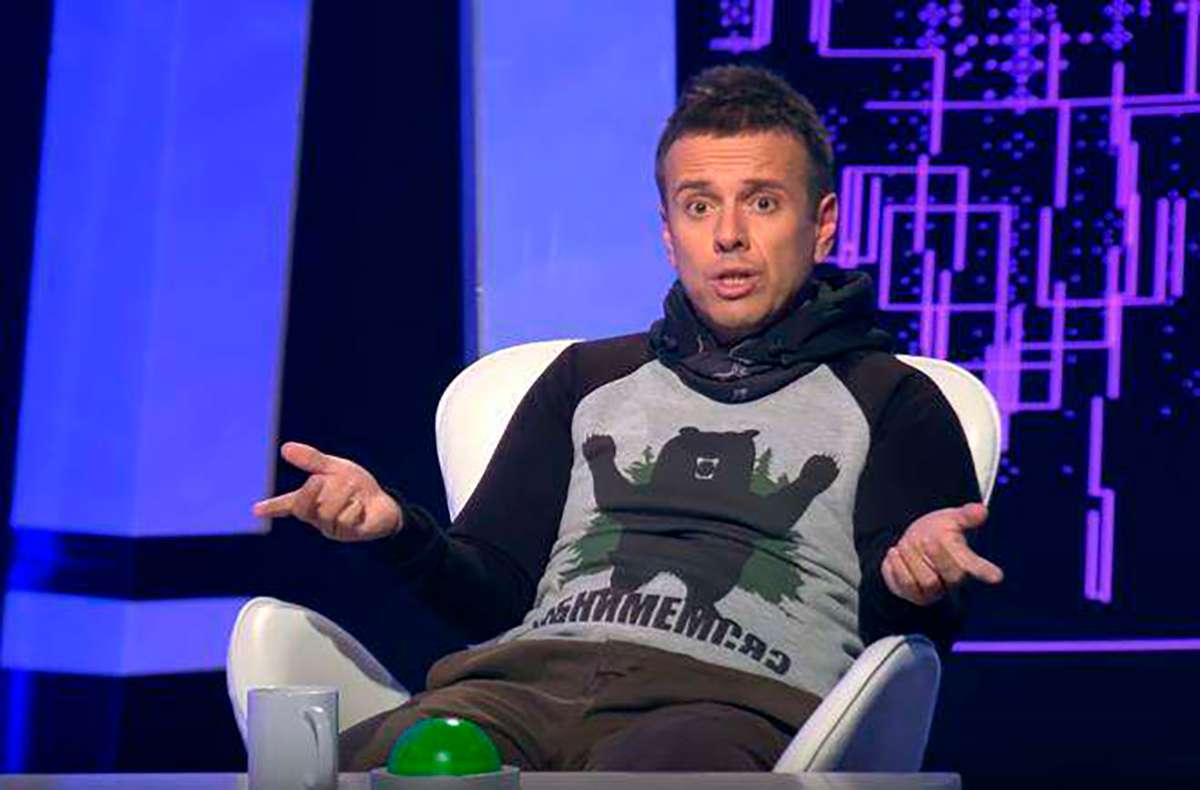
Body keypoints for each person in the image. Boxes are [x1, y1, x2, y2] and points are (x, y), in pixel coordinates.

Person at [253, 64, 1004, 772]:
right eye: (699, 205)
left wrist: (915, 581)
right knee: (369, 764)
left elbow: (900, 653)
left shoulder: (892, 399)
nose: (729, 235)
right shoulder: (586, 379)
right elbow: (495, 594)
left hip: (726, 706)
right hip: (520, 691)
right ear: (669, 232)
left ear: (823, 222)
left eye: (762, 202)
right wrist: (396, 529)